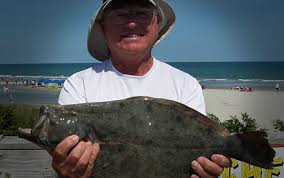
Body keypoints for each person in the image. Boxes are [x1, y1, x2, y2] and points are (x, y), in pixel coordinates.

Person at [54, 0, 231, 177]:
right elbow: (70, 158)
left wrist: (207, 169)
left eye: (142, 14)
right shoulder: (78, 85)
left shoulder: (187, 85)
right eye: (120, 15)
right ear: (103, 27)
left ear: (156, 23)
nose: (131, 23)